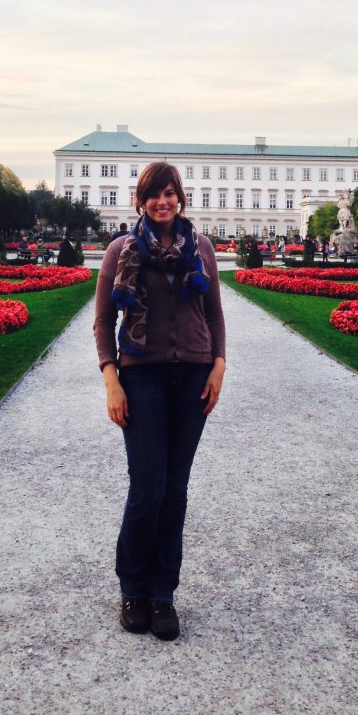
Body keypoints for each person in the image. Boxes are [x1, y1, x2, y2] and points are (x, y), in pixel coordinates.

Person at [93, 162, 226, 641]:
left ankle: (162, 593)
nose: (162, 201)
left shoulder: (201, 248)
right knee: (148, 488)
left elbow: (214, 315)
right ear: (141, 201)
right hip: (141, 376)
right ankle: (133, 588)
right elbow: (103, 321)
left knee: (175, 490)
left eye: (169, 193)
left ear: (180, 197)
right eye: (154, 194)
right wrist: (111, 379)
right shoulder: (121, 250)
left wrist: (218, 365)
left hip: (193, 376)